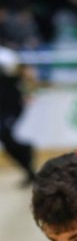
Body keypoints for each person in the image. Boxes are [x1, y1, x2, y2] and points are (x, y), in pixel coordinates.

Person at [0, 41, 36, 186]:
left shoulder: (5, 56)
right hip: (3, 107)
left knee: (4, 134)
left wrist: (28, 92)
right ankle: (28, 168)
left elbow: (27, 73)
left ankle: (27, 153)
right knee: (6, 140)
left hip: (12, 106)